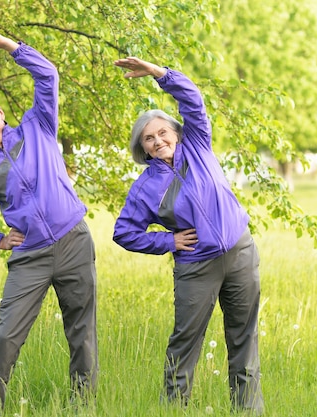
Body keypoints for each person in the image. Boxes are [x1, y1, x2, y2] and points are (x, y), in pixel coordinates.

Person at [0, 20, 98, 412]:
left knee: (81, 333)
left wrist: (8, 46)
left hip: (73, 241)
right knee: (6, 336)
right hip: (29, 256)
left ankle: (81, 406)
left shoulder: (39, 126)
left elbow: (48, 73)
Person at [112, 57, 264, 415]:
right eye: (149, 138)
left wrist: (160, 74)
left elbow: (193, 100)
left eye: (163, 132)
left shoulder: (198, 146)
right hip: (196, 267)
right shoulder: (145, 187)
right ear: (143, 148)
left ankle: (249, 410)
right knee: (184, 344)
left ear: (176, 133)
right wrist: (168, 241)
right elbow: (124, 232)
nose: (157, 140)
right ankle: (175, 409)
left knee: (244, 340)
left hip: (240, 252)